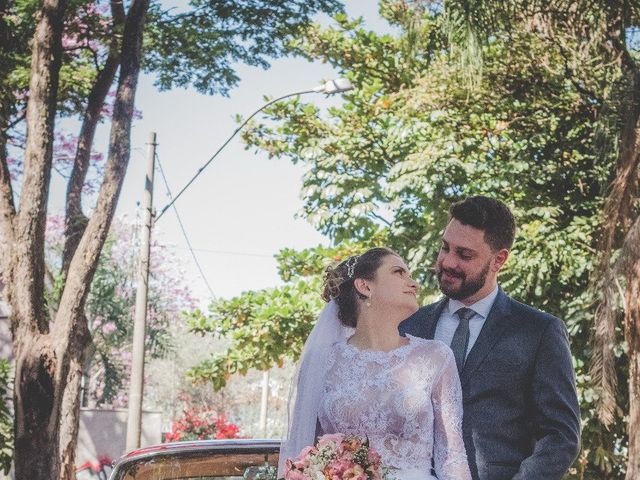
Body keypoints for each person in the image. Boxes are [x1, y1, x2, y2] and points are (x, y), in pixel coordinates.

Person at [399, 196, 581, 480]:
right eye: (445, 247)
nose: (447, 261)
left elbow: (561, 435)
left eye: (464, 254)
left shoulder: (539, 331)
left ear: (499, 260)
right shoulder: (409, 326)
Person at [279, 247, 472, 480]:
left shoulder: (435, 357)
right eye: (399, 272)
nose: (413, 284)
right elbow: (304, 452)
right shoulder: (323, 360)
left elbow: (452, 457)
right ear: (365, 286)